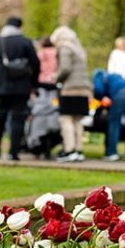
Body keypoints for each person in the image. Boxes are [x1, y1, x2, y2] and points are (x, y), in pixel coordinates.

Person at [0, 16, 40, 161]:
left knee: (0, 117)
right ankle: (13, 152)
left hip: (2, 88)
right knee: (18, 119)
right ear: (19, 27)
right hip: (21, 89)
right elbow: (35, 65)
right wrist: (32, 84)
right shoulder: (26, 43)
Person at [51, 25, 91, 163]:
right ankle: (78, 150)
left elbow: (65, 68)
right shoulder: (79, 48)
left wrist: (56, 78)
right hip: (83, 88)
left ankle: (69, 150)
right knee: (77, 120)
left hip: (70, 88)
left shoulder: (65, 47)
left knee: (66, 119)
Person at [93, 68, 125, 162]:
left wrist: (100, 98)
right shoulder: (116, 76)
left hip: (120, 95)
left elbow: (98, 90)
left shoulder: (98, 75)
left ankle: (112, 153)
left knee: (114, 123)